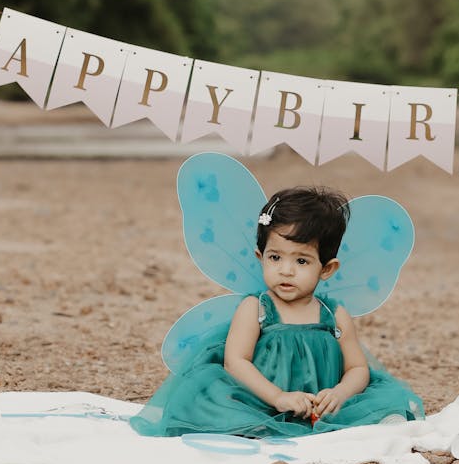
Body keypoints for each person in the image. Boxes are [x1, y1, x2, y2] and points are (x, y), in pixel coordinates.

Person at [129, 185, 424, 438]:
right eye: (275, 257)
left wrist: (339, 394)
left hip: (318, 405)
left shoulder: (333, 314)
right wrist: (278, 397)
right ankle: (255, 425)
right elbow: (236, 362)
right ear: (260, 257)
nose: (286, 270)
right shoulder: (256, 309)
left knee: (382, 401)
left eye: (302, 261)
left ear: (327, 269)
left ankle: (372, 421)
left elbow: (358, 368)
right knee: (210, 402)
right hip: (261, 399)